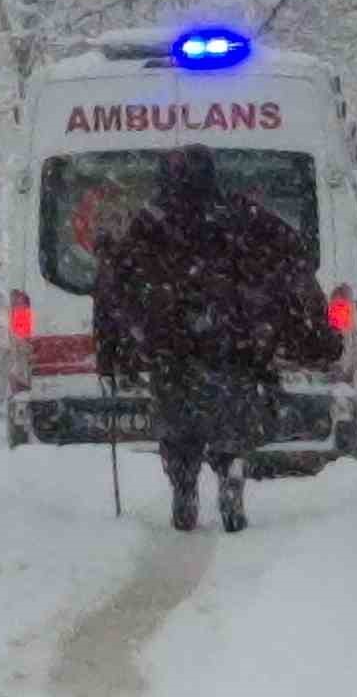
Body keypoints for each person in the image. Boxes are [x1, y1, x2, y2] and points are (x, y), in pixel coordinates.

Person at [94, 145, 342, 532]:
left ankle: (183, 483)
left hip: (172, 350)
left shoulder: (150, 223)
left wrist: (112, 350)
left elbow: (118, 286)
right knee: (232, 420)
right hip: (233, 346)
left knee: (178, 425)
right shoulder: (240, 215)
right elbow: (292, 258)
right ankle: (230, 472)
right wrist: (305, 331)